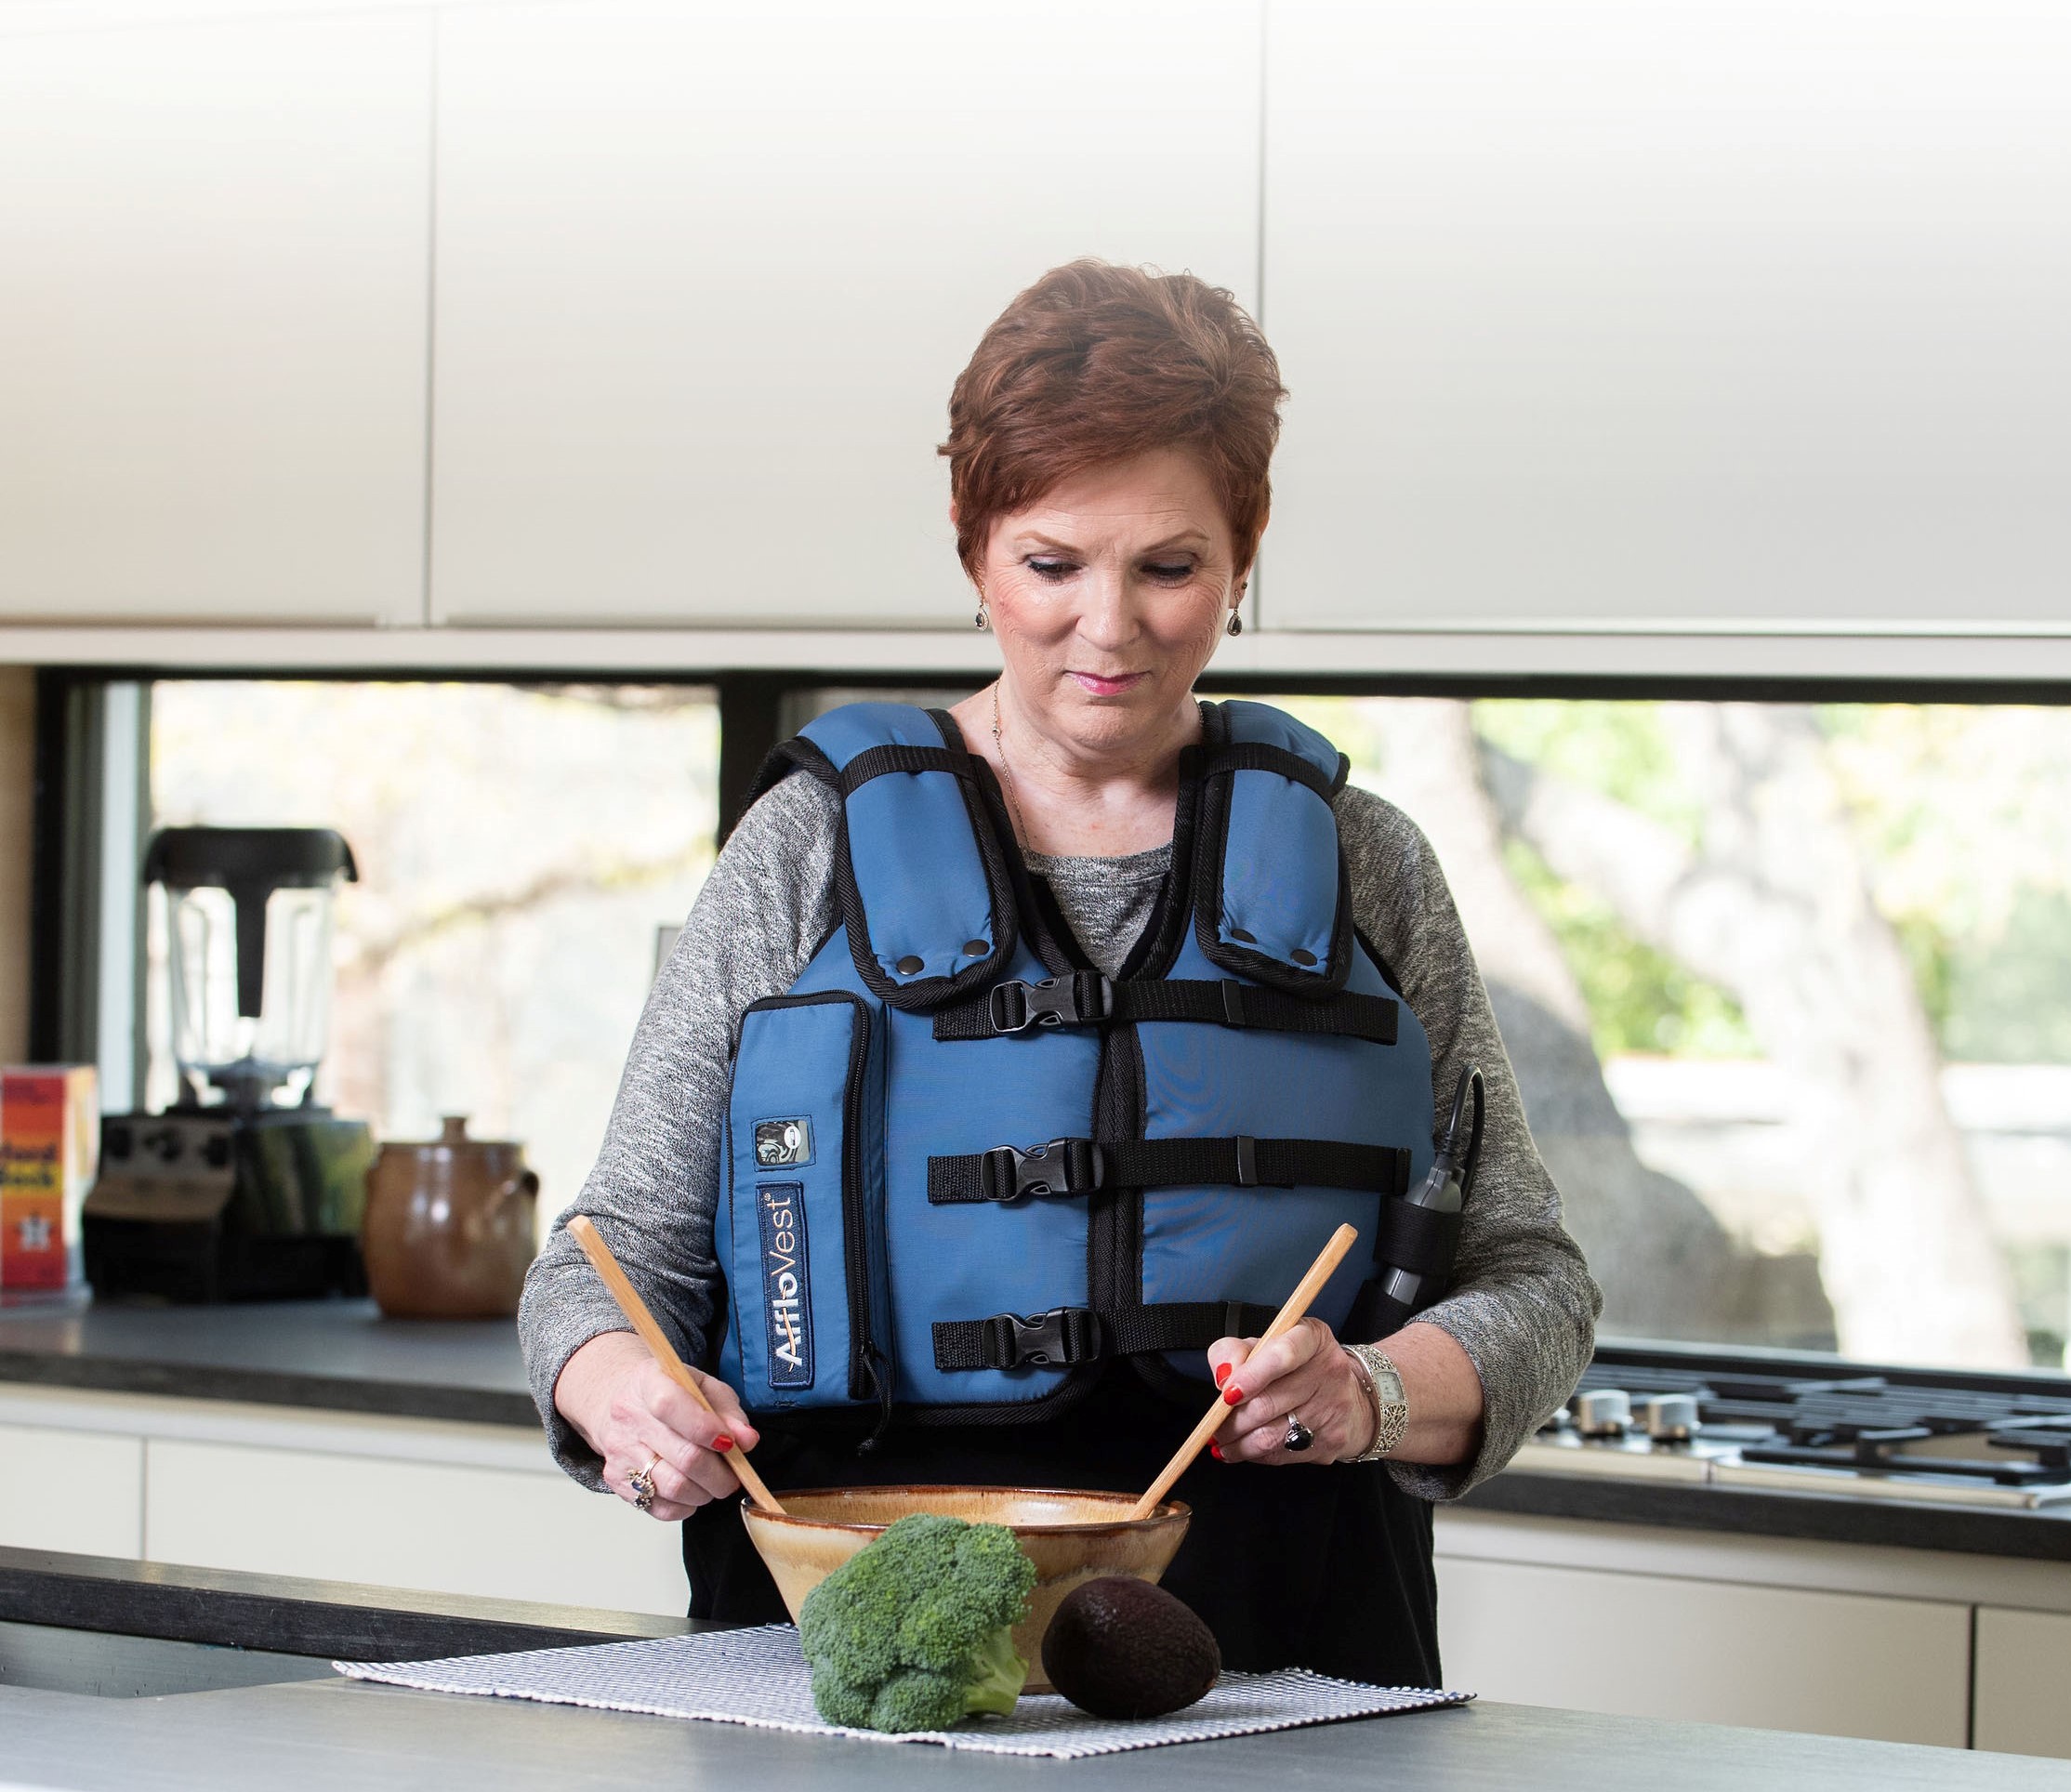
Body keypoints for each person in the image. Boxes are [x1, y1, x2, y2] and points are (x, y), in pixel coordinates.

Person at [519, 259, 1598, 1687]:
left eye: (1170, 567)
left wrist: (1375, 1392)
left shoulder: (1363, 859)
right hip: (861, 1635)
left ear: (1244, 550)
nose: (1111, 627)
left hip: (1275, 1645)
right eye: (1052, 565)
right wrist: (624, 1397)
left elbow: (1533, 1277)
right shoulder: (806, 850)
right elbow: (605, 1267)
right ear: (973, 553)